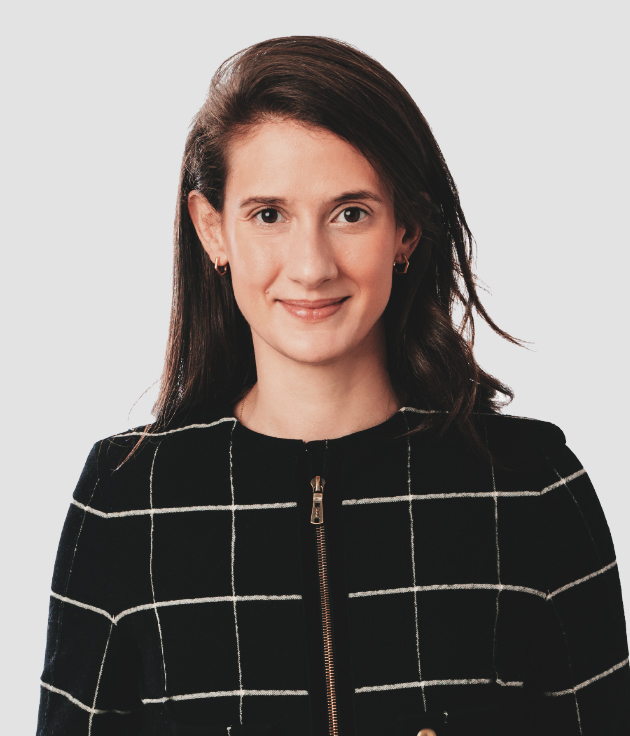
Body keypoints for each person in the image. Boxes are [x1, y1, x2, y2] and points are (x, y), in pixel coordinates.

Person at [36, 36, 629, 736]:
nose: (312, 266)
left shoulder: (533, 490)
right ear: (212, 229)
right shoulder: (125, 501)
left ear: (406, 228)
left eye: (351, 213)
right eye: (269, 215)